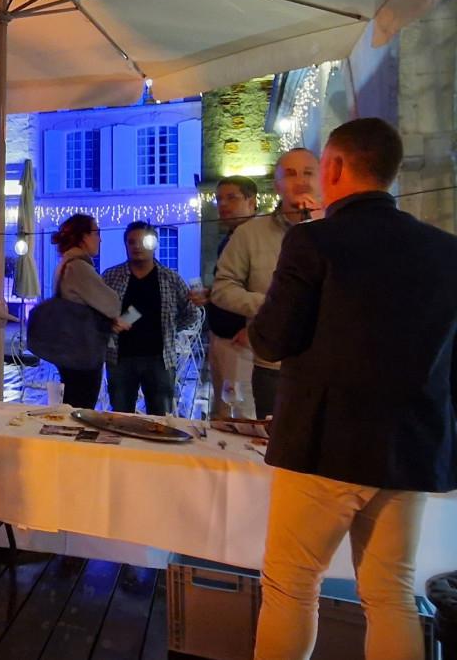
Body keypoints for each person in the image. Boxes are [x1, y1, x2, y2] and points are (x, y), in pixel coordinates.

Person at [249, 118, 457, 660]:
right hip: (410, 447)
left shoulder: (313, 240)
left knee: (292, 585)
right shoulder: (447, 251)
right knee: (391, 594)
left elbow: (271, 340)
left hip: (324, 444)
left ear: (337, 167)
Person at [211, 148, 320, 419]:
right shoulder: (250, 234)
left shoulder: (338, 231)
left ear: (321, 179)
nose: (302, 181)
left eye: (308, 173)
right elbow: (223, 288)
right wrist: (268, 306)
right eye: (291, 174)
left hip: (325, 366)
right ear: (278, 184)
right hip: (272, 366)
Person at [101, 222, 202, 414]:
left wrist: (170, 328)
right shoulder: (111, 276)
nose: (137, 246)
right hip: (121, 358)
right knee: (121, 417)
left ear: (154, 244)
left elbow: (192, 313)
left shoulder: (170, 278)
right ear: (126, 246)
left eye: (142, 241)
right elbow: (96, 312)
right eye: (131, 242)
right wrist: (110, 324)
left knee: (160, 417)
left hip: (159, 359)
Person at [189, 176, 259, 418]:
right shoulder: (228, 240)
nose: (223, 205)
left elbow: (271, 291)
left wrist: (254, 329)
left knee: (238, 411)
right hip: (221, 336)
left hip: (240, 341)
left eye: (232, 198)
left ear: (252, 202)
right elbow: (233, 287)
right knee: (221, 409)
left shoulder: (257, 238)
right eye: (219, 199)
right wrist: (211, 294)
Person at [49, 213, 123, 409]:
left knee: (73, 402)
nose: (100, 238)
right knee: (81, 406)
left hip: (70, 348)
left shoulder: (65, 264)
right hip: (83, 350)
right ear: (83, 236)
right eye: (96, 232)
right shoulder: (78, 267)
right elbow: (112, 304)